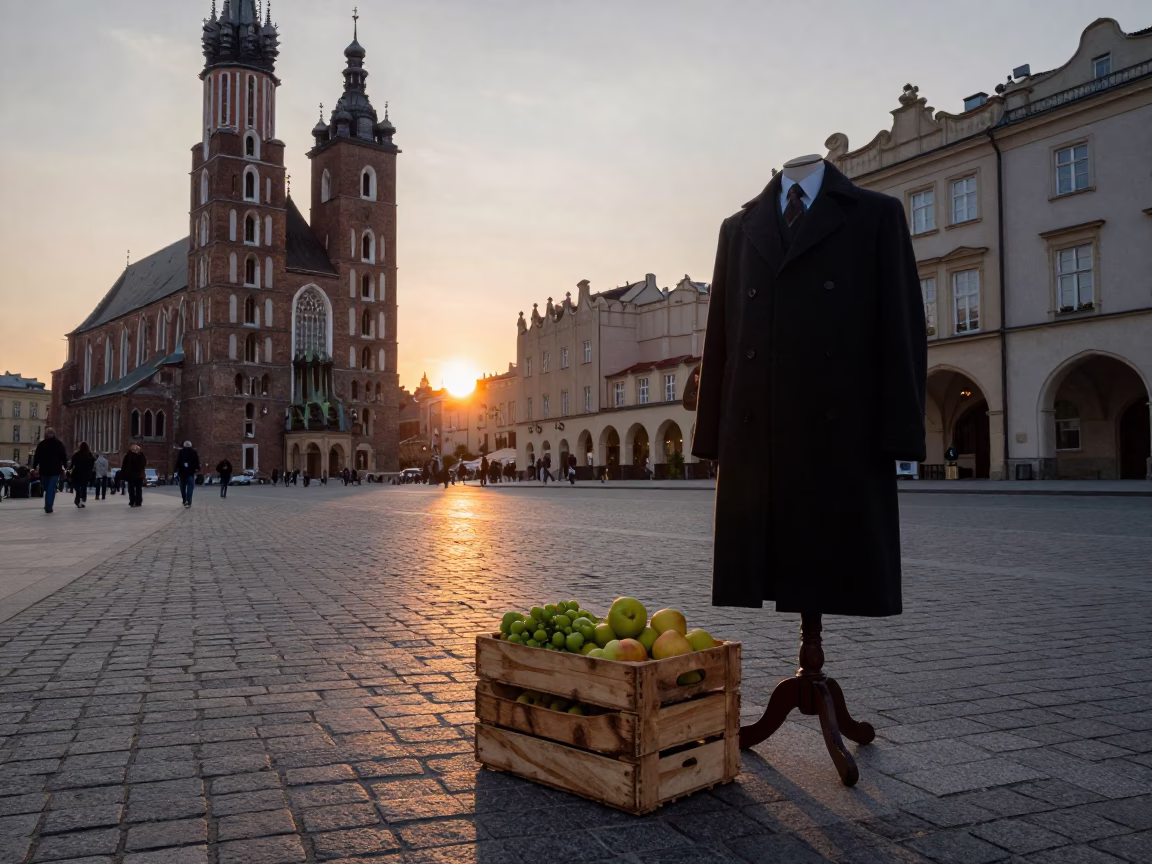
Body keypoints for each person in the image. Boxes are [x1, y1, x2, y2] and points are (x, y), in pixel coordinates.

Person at [32, 428, 69, 514]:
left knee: (47, 487)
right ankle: (49, 505)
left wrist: (34, 466)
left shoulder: (42, 444)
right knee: (51, 487)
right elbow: (63, 456)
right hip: (55, 469)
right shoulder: (59, 444)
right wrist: (65, 465)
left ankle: (48, 505)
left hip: (44, 469)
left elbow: (36, 456)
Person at [69, 442, 96, 509]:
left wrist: (68, 470)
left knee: (78, 487)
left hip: (77, 473)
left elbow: (72, 465)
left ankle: (78, 499)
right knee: (84, 487)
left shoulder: (76, 454)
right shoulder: (90, 455)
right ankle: (83, 499)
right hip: (86, 474)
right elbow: (92, 465)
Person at [176, 440, 200, 507]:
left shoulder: (181, 452)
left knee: (182, 488)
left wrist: (176, 469)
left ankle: (184, 500)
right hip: (190, 472)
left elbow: (178, 462)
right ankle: (188, 501)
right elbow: (196, 462)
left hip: (182, 473)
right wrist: (197, 468)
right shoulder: (193, 452)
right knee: (190, 487)